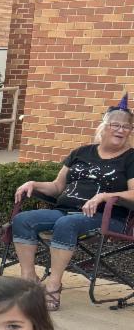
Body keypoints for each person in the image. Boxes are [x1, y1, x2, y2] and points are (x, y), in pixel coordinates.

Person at [11, 98, 134, 310]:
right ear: (104, 126)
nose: (120, 130)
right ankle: (29, 279)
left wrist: (104, 196)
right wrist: (33, 183)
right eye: (116, 125)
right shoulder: (81, 152)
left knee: (67, 224)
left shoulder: (130, 158)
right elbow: (57, 186)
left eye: (126, 126)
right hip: (65, 211)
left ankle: (53, 285)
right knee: (23, 220)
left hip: (107, 217)